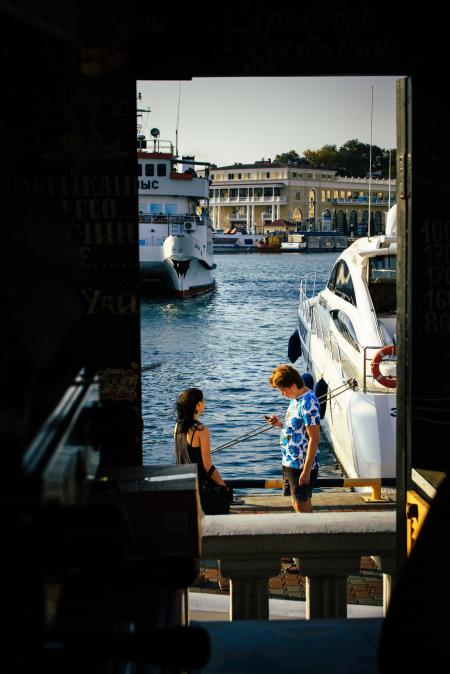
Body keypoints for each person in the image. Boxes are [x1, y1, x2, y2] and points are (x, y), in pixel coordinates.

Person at [267, 365, 321, 514]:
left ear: (292, 385)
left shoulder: (308, 403)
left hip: (301, 464)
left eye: (283, 390)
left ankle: (308, 534)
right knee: (296, 502)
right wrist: (279, 424)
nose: (282, 394)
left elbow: (314, 438)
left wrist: (307, 471)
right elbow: (297, 429)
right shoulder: (296, 399)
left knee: (301, 505)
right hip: (290, 460)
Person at [174, 388, 230, 514]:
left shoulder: (177, 427)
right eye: (203, 400)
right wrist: (224, 486)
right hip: (199, 487)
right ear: (198, 404)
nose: (204, 402)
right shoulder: (200, 430)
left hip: (182, 483)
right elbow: (207, 466)